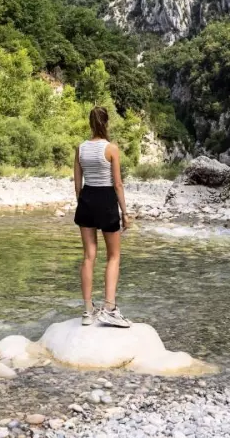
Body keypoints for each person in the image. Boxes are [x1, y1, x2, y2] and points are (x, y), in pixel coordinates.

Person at [73, 106, 132, 328]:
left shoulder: (80, 149)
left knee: (89, 256)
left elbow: (77, 184)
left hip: (87, 199)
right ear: (106, 123)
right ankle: (109, 308)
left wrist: (83, 203)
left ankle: (88, 311)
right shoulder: (111, 149)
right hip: (106, 200)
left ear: (90, 123)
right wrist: (125, 213)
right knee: (114, 256)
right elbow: (117, 184)